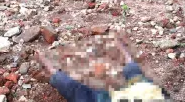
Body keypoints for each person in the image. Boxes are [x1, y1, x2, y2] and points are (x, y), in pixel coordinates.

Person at [36, 37, 169, 102]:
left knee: (75, 89)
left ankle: (51, 70)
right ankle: (125, 54)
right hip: (147, 94)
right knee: (135, 74)